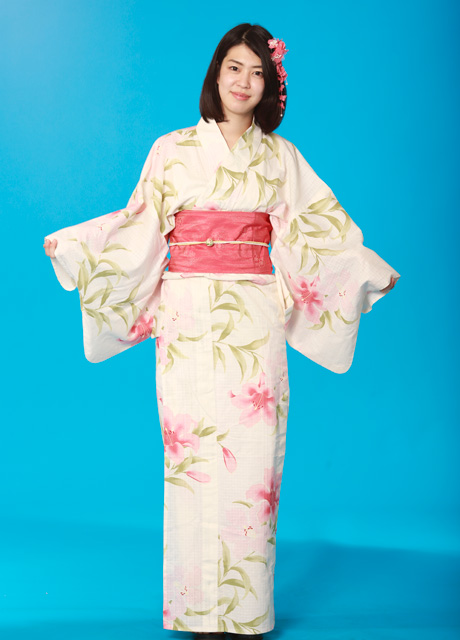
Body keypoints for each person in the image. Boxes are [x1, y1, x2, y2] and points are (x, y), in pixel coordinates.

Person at [43, 23, 400, 640]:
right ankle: (195, 609)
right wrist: (81, 247)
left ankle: (246, 611)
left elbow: (316, 229)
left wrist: (361, 267)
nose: (244, 81)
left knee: (254, 460)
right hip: (186, 314)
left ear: (270, 86)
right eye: (234, 67)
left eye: (258, 72)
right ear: (216, 74)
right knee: (191, 457)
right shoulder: (172, 149)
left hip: (254, 314)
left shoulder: (280, 157)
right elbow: (139, 226)